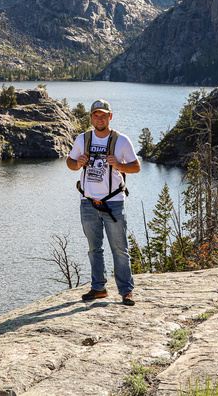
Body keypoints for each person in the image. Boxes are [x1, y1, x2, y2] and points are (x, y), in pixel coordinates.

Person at [66, 99, 141, 306]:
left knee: (119, 248)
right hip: (88, 202)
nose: (100, 119)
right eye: (96, 115)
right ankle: (98, 288)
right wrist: (77, 163)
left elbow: (136, 167)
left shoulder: (121, 140)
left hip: (114, 203)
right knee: (94, 249)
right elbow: (70, 162)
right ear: (91, 117)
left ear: (110, 117)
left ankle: (126, 291)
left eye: (104, 115)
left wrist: (120, 164)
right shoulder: (83, 139)